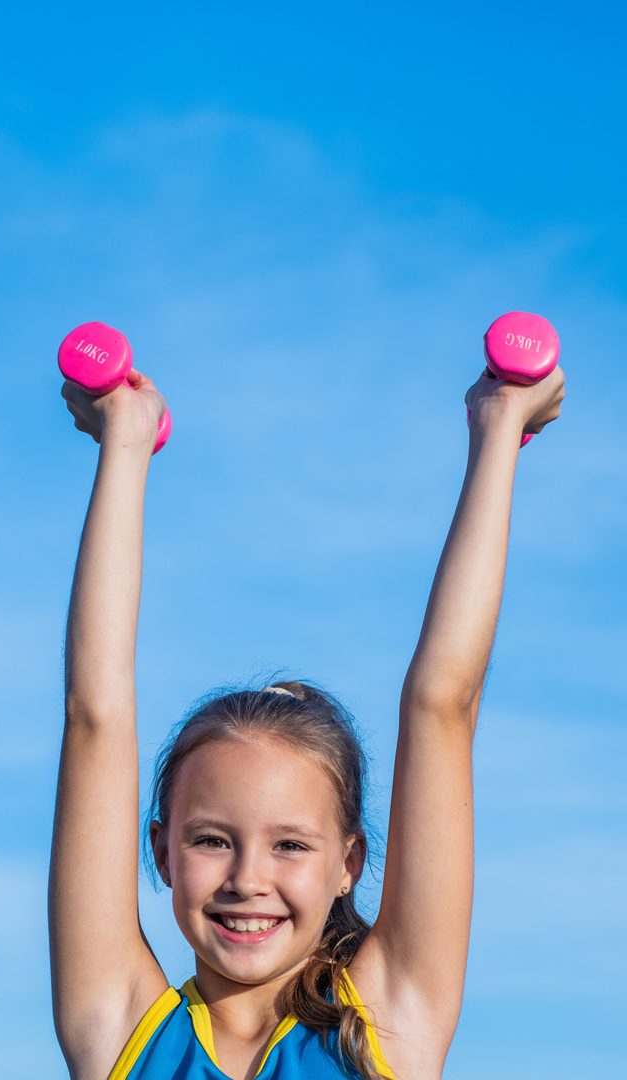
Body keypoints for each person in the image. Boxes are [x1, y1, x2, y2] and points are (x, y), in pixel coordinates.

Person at [49, 358, 565, 1079]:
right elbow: (94, 717)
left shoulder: (389, 1023)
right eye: (210, 840)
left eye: (290, 845)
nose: (247, 879)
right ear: (160, 850)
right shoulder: (120, 1031)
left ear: (348, 863)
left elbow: (442, 705)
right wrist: (124, 445)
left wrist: (499, 427)